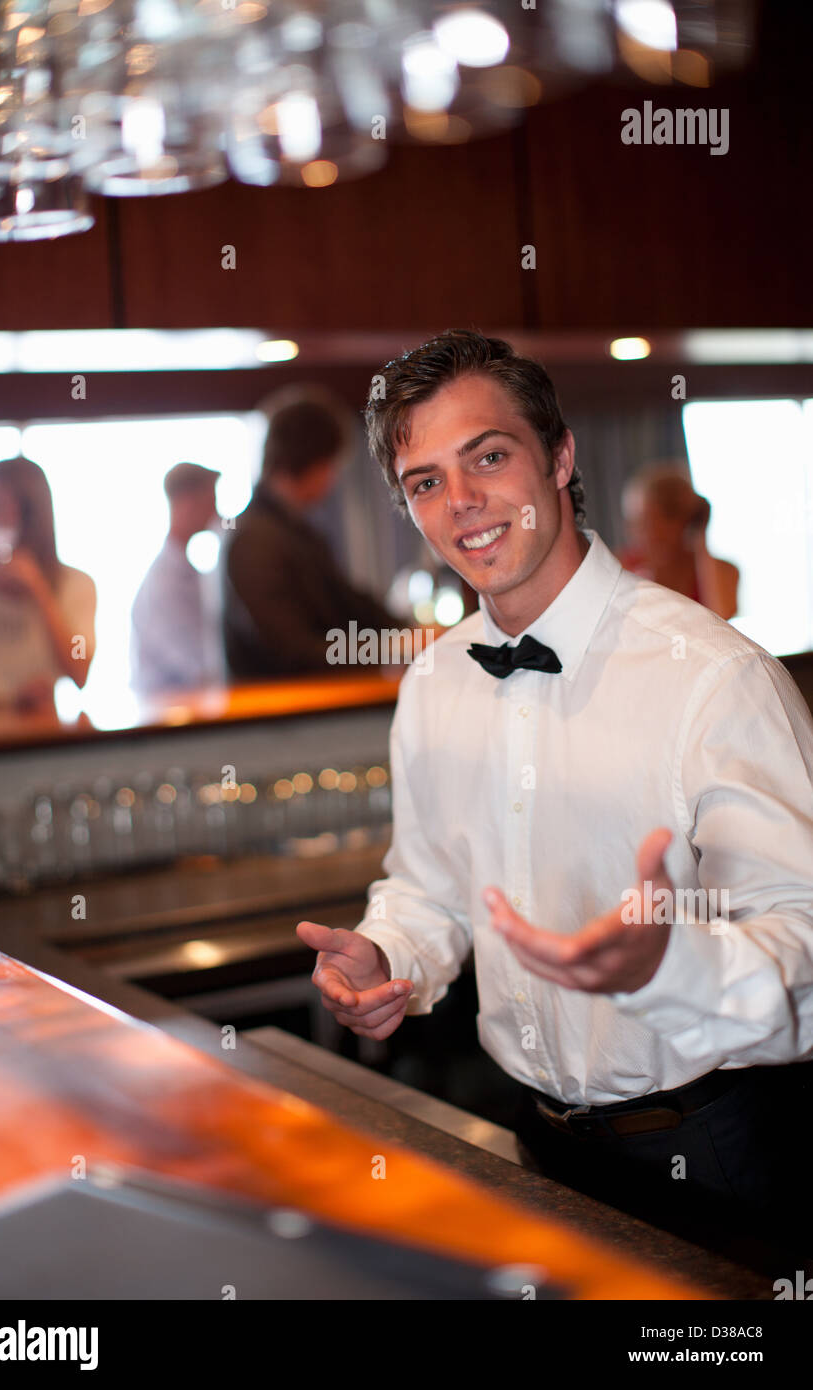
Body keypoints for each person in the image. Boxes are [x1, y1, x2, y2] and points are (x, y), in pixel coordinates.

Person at [296, 329, 813, 1256]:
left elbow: (804, 937)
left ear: (560, 457)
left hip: (721, 1146)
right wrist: (387, 955)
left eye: (487, 457)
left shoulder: (717, 677)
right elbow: (428, 886)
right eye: (424, 481)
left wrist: (670, 967)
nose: (462, 504)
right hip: (532, 1142)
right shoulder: (434, 683)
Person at [221, 389, 404, 680]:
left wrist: (404, 631)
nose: (332, 479)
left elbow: (350, 602)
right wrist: (391, 648)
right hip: (278, 716)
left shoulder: (296, 530)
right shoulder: (254, 539)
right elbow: (292, 652)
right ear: (313, 461)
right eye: (331, 465)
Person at [0, 456, 96, 711]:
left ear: (31, 514)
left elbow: (80, 667)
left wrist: (41, 593)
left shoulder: (76, 586)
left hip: (40, 734)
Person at [130, 462, 226, 697]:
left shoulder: (187, 572)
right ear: (187, 502)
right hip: (168, 716)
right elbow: (200, 668)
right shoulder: (164, 582)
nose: (216, 512)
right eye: (210, 501)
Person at [619, 464, 740, 621]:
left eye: (645, 523)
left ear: (680, 523)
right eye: (633, 523)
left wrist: (700, 540)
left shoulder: (723, 571)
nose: (634, 534)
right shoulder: (623, 567)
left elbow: (721, 621)